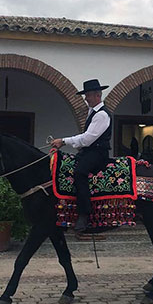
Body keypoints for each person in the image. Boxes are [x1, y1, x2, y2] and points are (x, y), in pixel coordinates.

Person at [51, 79, 112, 231]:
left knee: (79, 173)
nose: (86, 98)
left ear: (97, 95)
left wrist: (63, 141)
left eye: (88, 95)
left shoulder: (102, 115)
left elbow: (87, 139)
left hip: (98, 153)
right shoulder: (93, 113)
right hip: (90, 151)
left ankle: (85, 214)